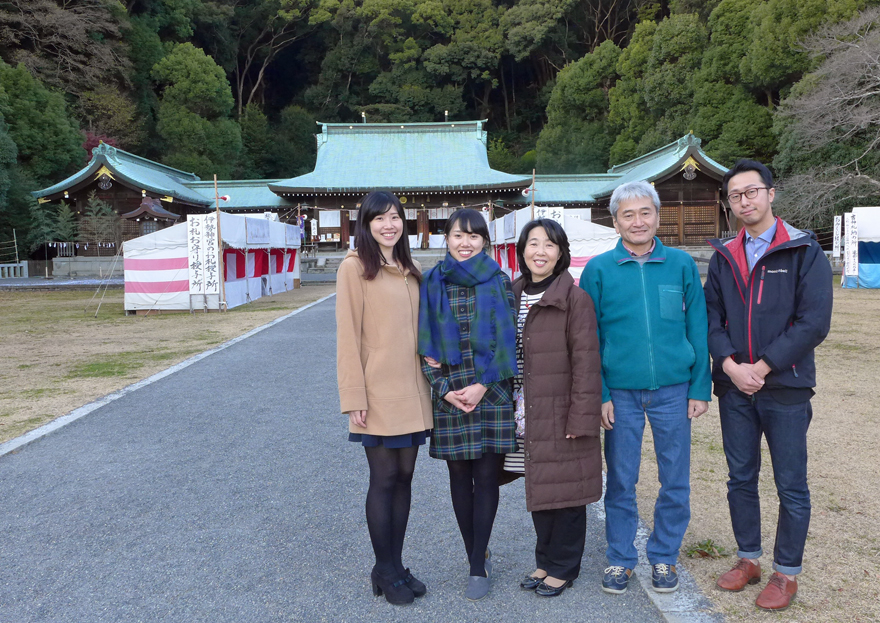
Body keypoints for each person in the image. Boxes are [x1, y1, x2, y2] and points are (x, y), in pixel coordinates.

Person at [705, 160, 832, 611]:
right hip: (735, 386)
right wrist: (731, 365)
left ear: (771, 194)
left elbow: (813, 321)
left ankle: (786, 572)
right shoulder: (724, 255)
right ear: (729, 202)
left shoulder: (803, 249)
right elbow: (711, 318)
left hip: (786, 387)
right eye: (736, 195)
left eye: (752, 191)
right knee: (740, 477)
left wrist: (763, 365)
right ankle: (748, 558)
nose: (745, 201)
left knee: (791, 483)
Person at [579, 180, 711, 595]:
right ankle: (620, 558)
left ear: (657, 216)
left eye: (645, 213)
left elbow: (699, 327)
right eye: (628, 214)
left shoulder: (681, 264)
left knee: (676, 477)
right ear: (615, 220)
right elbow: (589, 338)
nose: (638, 221)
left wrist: (700, 387)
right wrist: (600, 393)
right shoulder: (598, 269)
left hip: (674, 388)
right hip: (620, 392)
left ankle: (665, 555)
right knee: (621, 479)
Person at [336, 190, 433, 605]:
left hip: (413, 391)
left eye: (395, 217)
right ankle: (384, 568)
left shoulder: (411, 269)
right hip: (376, 392)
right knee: (384, 478)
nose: (389, 225)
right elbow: (347, 337)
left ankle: (395, 564)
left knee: (406, 479)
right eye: (379, 218)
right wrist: (353, 394)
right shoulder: (355, 267)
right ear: (366, 223)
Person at [417, 208, 518, 601]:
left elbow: (509, 344)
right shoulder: (431, 282)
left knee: (487, 478)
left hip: (490, 392)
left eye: (474, 236)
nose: (465, 242)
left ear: (485, 241)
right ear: (447, 239)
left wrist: (481, 385)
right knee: (459, 479)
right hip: (450, 394)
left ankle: (478, 564)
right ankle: (475, 553)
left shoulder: (500, 281)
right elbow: (423, 345)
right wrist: (441, 388)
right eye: (458, 235)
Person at [504, 219, 603, 598]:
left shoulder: (575, 299)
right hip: (523, 409)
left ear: (561, 252)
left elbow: (587, 363)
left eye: (549, 244)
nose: (539, 251)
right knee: (541, 486)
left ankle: (564, 566)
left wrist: (581, 417)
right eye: (532, 244)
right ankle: (545, 560)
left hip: (559, 409)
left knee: (569, 493)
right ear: (522, 251)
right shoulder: (511, 292)